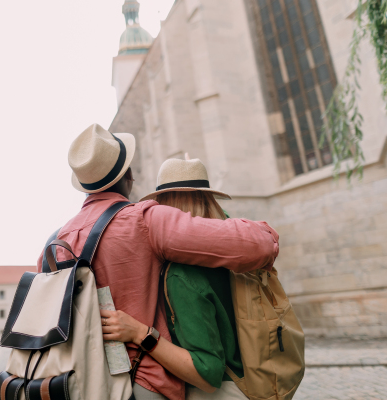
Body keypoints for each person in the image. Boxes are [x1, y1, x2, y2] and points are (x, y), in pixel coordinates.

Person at [37, 124, 278, 400]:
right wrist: (267, 235)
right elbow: (251, 247)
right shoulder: (142, 221)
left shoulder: (53, 243)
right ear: (128, 175)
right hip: (140, 383)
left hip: (71, 382)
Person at [101, 155, 248, 400]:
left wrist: (140, 333)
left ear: (164, 207)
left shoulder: (182, 274)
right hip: (252, 382)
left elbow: (208, 372)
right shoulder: (236, 249)